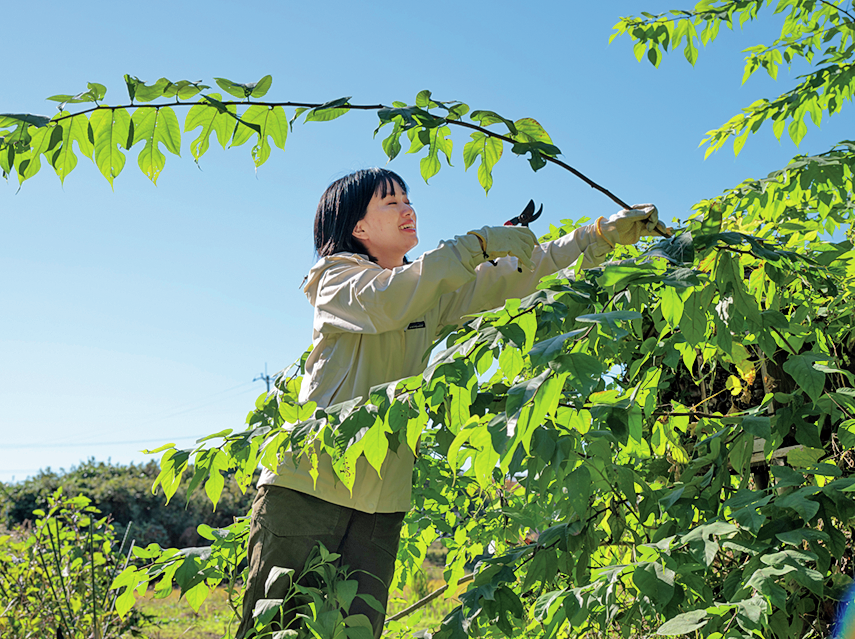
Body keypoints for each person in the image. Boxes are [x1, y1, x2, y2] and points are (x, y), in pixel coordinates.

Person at [236, 168, 666, 639]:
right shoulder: (335, 280)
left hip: (381, 502)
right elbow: (388, 302)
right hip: (306, 490)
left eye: (408, 198)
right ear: (358, 229)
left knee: (355, 631)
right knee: (275, 628)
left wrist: (598, 235)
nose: (407, 208)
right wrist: (477, 244)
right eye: (390, 202)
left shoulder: (424, 290)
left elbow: (521, 276)